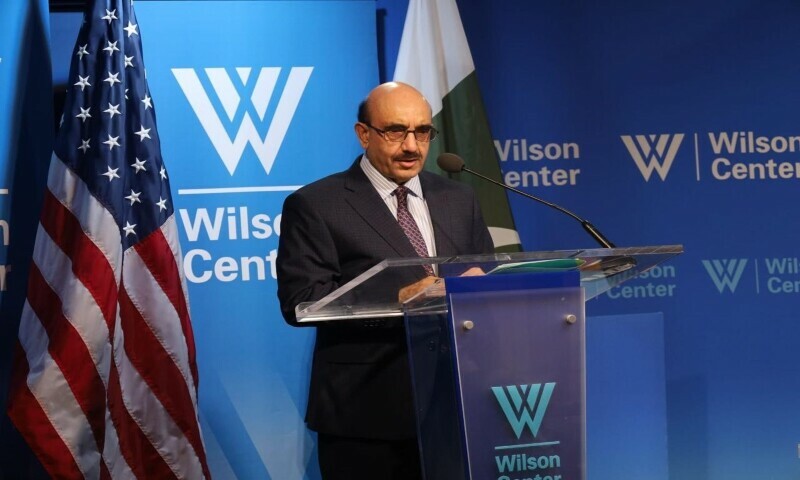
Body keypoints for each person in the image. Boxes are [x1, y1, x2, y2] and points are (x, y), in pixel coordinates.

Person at [276, 82, 494, 479]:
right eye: (395, 131)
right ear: (364, 134)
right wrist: (399, 296)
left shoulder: (458, 199)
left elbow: (486, 275)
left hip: (457, 403)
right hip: (367, 412)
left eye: (423, 131)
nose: (412, 145)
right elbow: (301, 302)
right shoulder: (316, 205)